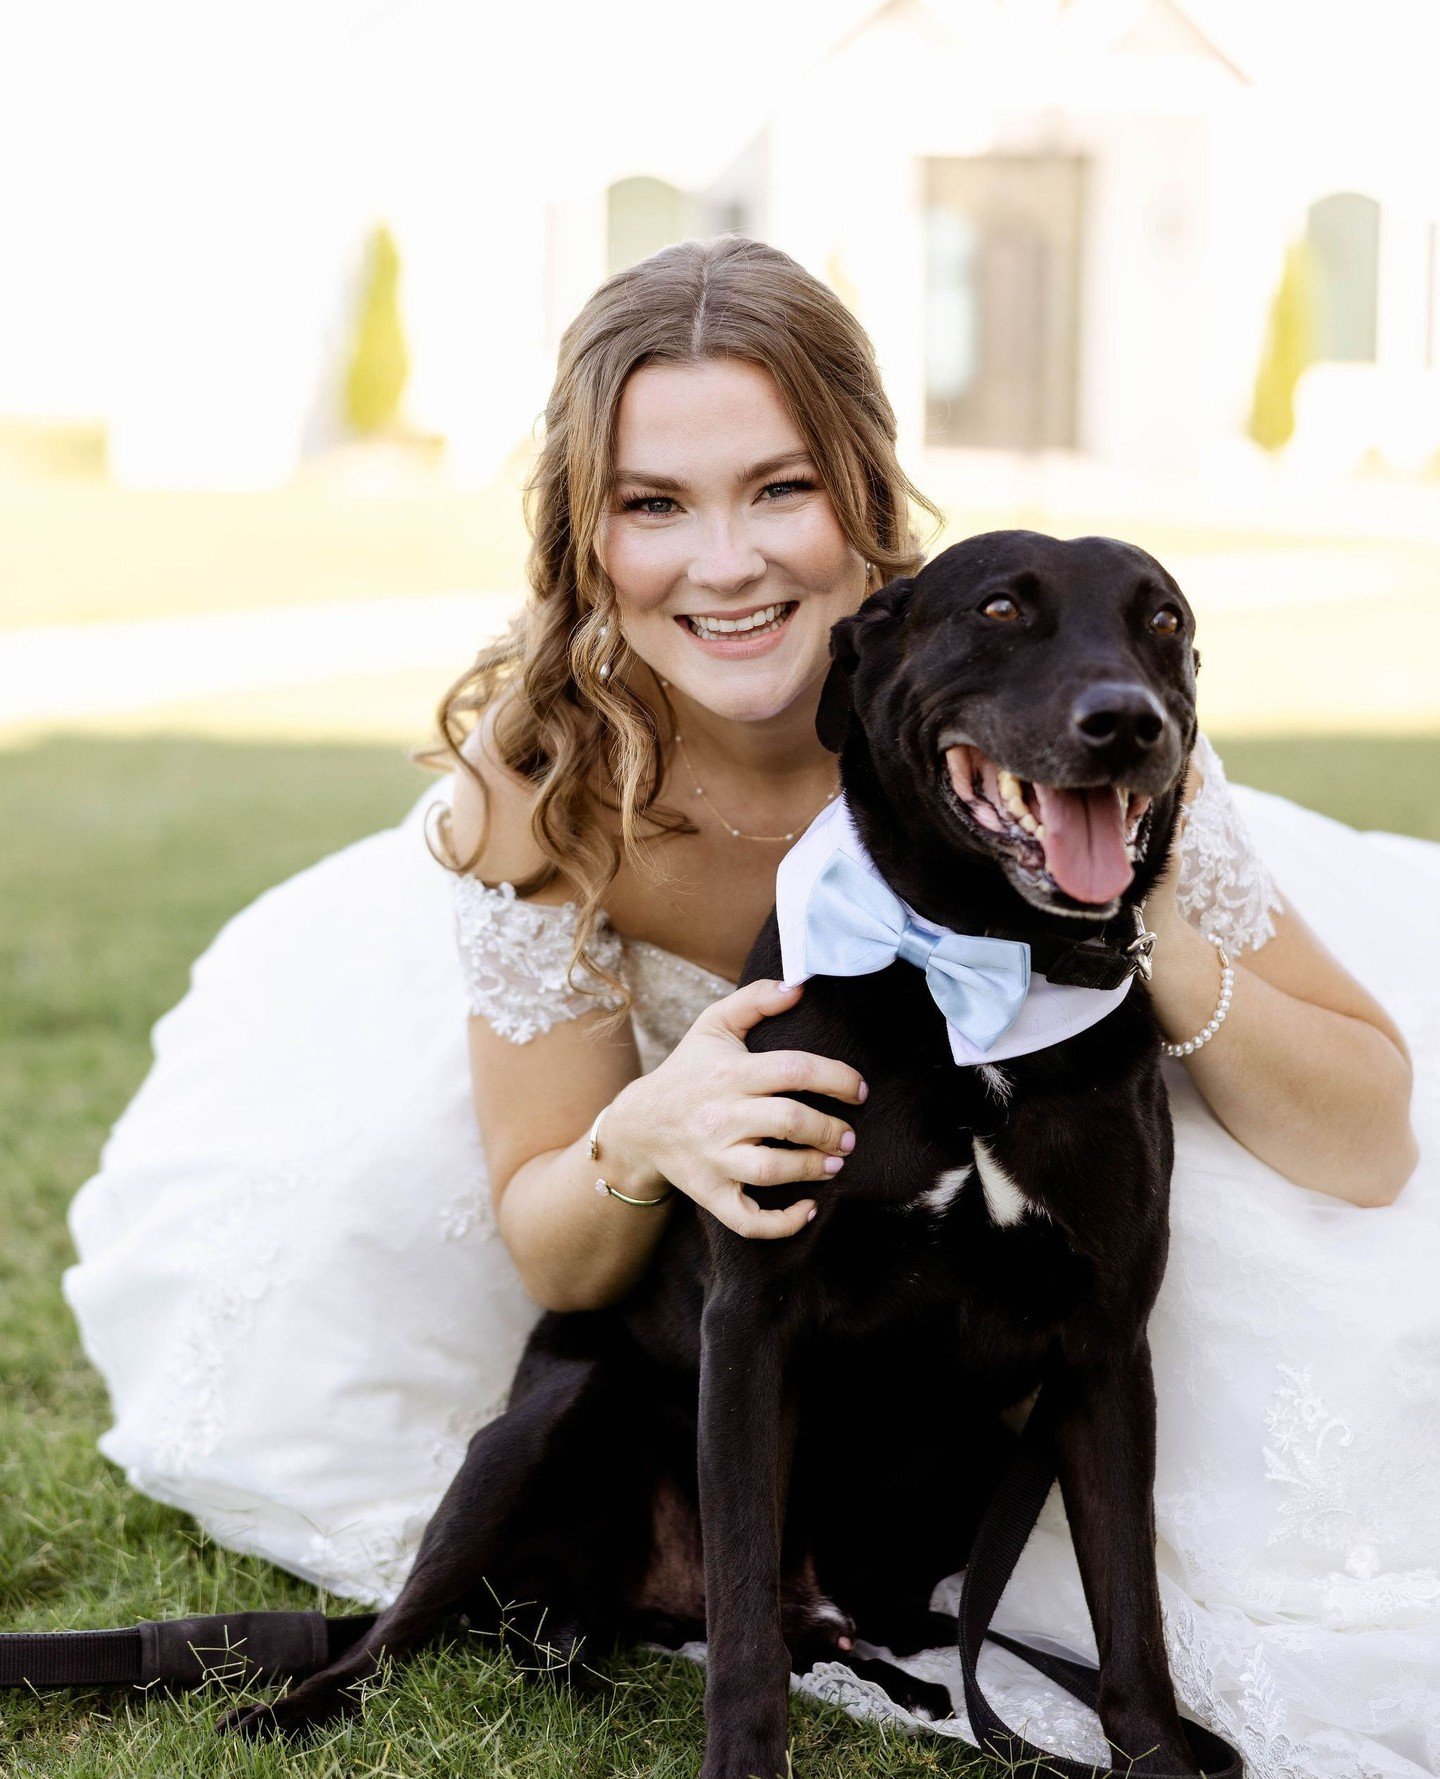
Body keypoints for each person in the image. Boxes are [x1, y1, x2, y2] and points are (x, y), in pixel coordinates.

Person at [64, 238, 1438, 1779]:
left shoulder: (1063, 704)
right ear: (589, 538)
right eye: (655, 505)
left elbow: (1370, 1142)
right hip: (750, 1286)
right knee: (355, 1221)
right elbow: (550, 1238)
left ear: (863, 494)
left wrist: (1132, 903)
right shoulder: (549, 793)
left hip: (1059, 1194)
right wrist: (643, 1128)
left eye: (777, 489)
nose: (724, 564)